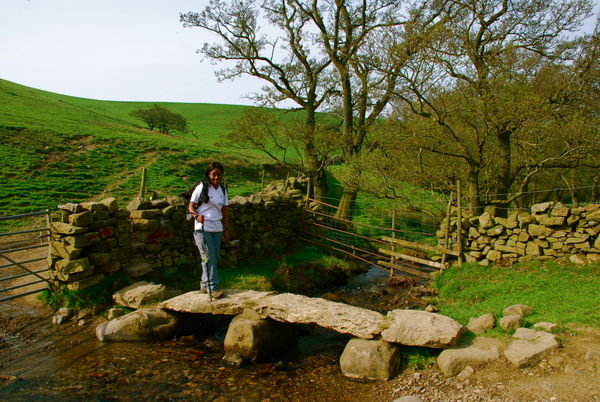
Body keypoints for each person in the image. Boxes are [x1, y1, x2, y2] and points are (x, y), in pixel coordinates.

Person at [188, 161, 229, 299]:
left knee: (213, 257)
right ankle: (213, 287)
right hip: (203, 227)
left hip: (217, 227)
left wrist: (227, 228)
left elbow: (224, 209)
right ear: (208, 175)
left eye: (219, 175)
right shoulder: (202, 187)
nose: (216, 178)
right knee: (209, 256)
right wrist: (196, 216)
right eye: (214, 175)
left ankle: (205, 284)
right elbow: (191, 206)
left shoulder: (223, 190)